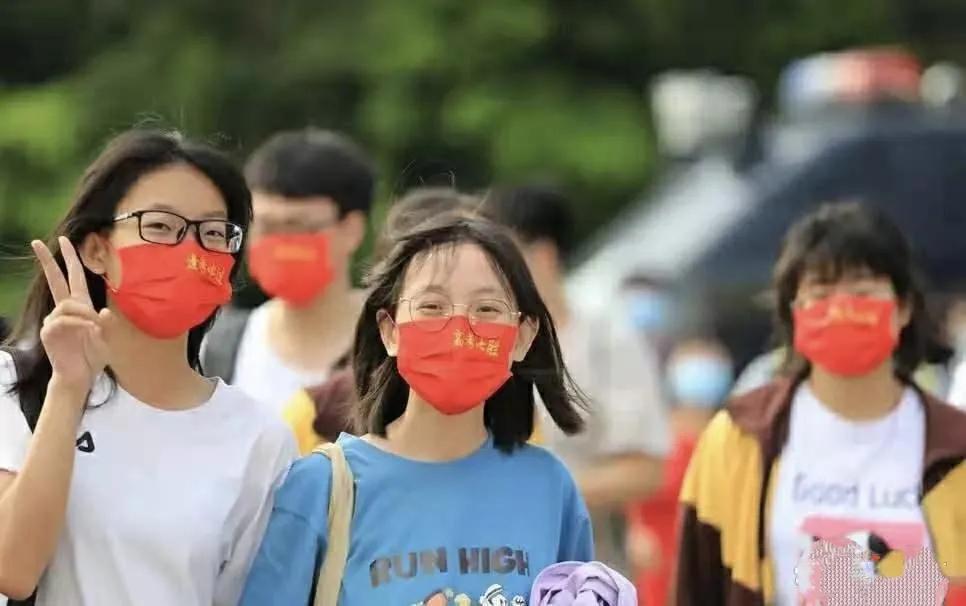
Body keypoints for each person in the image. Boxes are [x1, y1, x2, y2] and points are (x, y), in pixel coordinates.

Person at [0, 130, 296, 606]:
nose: (190, 249)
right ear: (97, 249)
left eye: (214, 233)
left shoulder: (259, 437)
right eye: (160, 226)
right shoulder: (17, 386)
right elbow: (12, 568)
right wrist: (69, 388)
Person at [241, 209, 593, 604]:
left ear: (522, 337)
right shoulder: (321, 487)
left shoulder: (549, 487)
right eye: (432, 307)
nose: (460, 329)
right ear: (389, 331)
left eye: (487, 310)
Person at [675, 202, 966, 606]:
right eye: (821, 294)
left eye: (862, 292)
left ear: (903, 307)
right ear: (793, 312)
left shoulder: (956, 449)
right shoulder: (740, 439)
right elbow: (697, 586)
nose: (841, 310)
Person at [482, 183, 670, 575]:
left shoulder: (607, 339)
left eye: (500, 256)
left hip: (585, 569)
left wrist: (533, 490)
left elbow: (645, 471)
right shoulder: (476, 339)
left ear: (544, 256)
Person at [280, 186, 481, 454]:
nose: (460, 320)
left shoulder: (513, 418)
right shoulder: (315, 416)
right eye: (433, 304)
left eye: (486, 304)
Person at [202, 128, 375, 415]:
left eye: (298, 226)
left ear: (352, 229)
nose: (280, 242)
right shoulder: (217, 350)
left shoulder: (394, 346)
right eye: (267, 227)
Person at [625, 337, 734, 606]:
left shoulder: (733, 441)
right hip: (659, 570)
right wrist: (634, 529)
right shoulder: (656, 439)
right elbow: (634, 487)